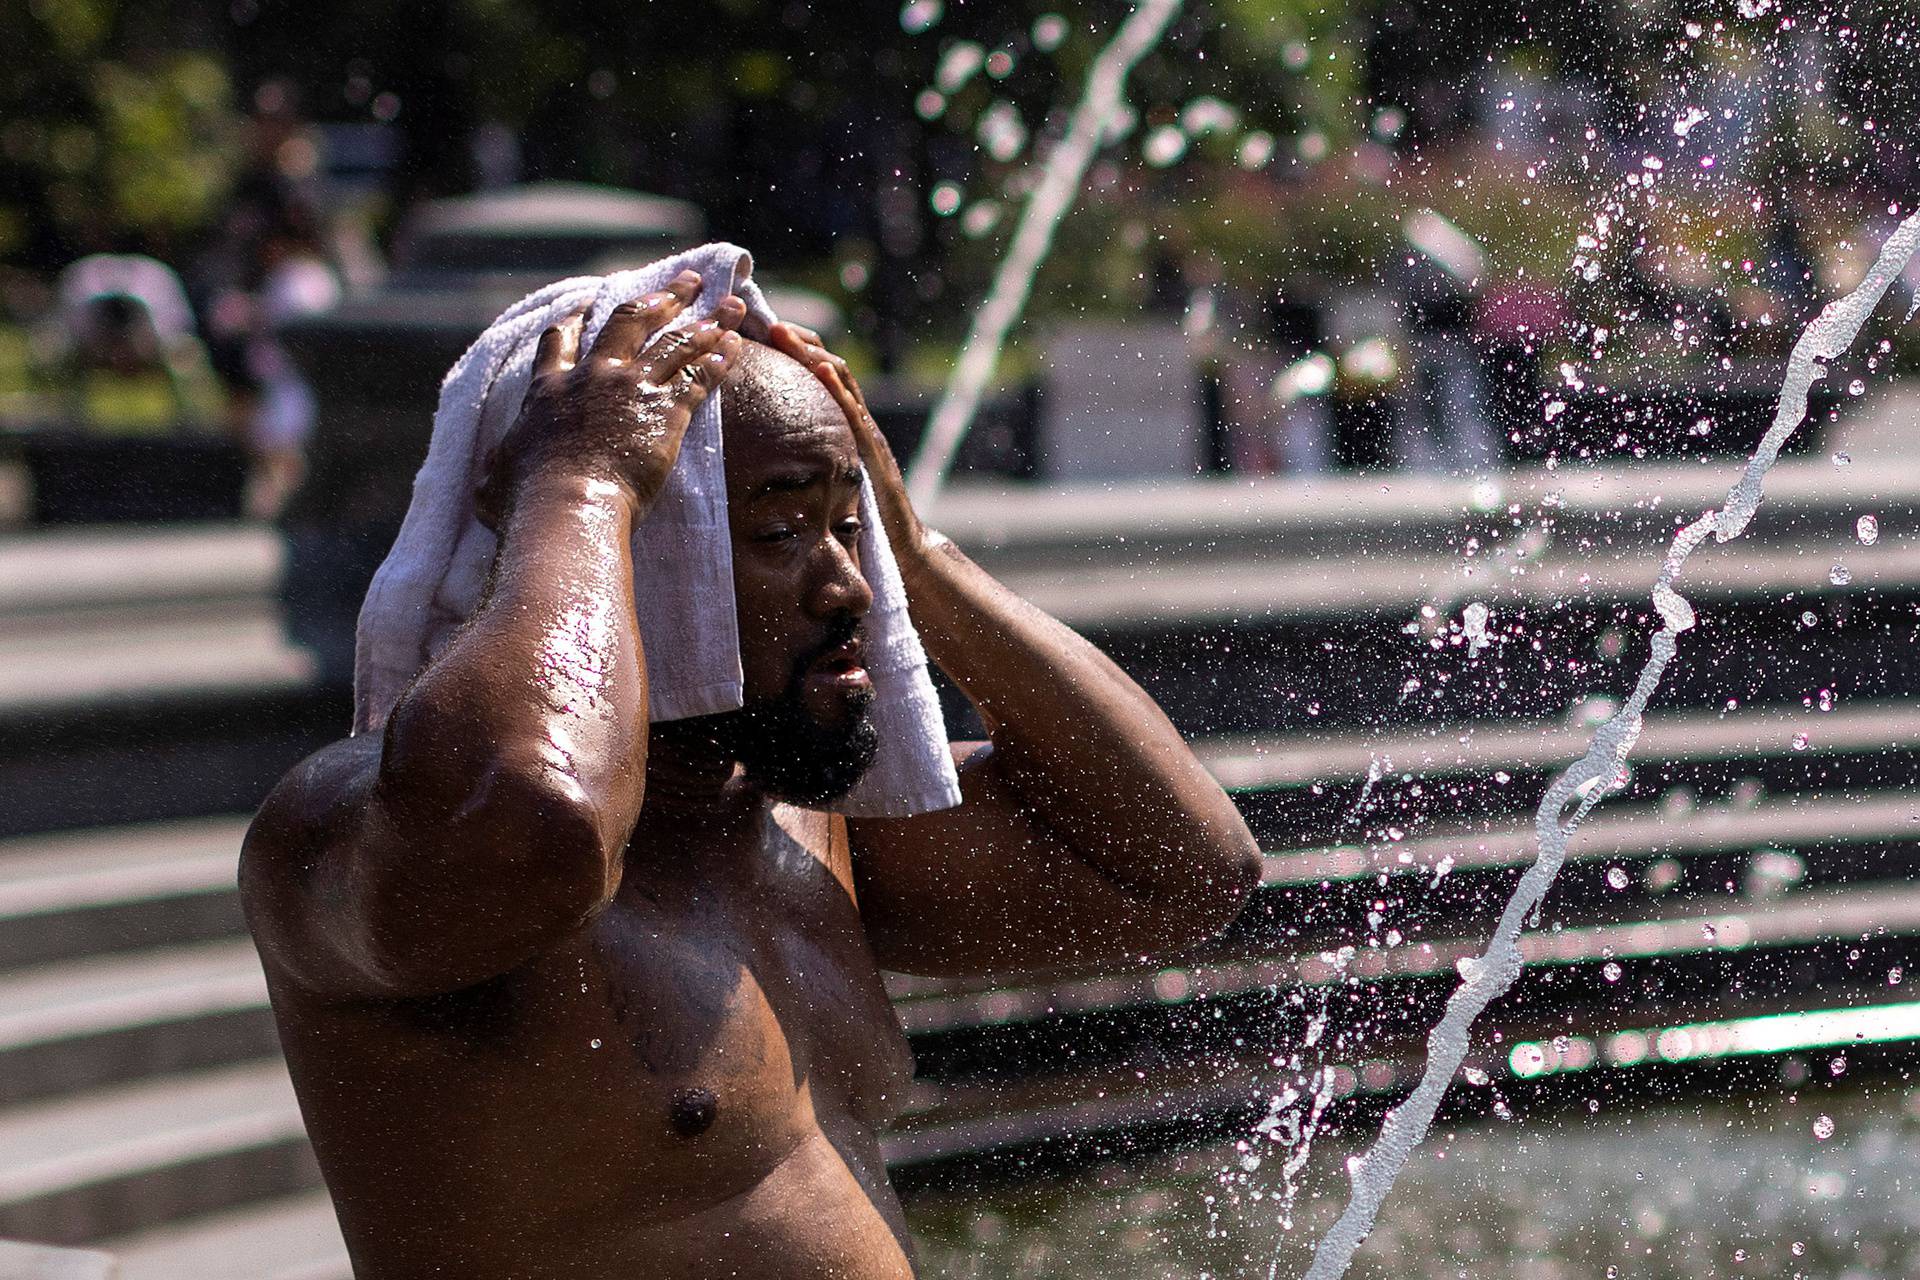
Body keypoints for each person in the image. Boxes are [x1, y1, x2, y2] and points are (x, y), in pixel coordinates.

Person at [239, 270, 1260, 1278]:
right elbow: (540, 821)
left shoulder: (806, 834)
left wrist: (923, 556)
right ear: (634, 551)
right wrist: (582, 479)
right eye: (780, 531)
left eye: (847, 525)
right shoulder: (351, 833)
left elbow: (1186, 870)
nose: (850, 584)